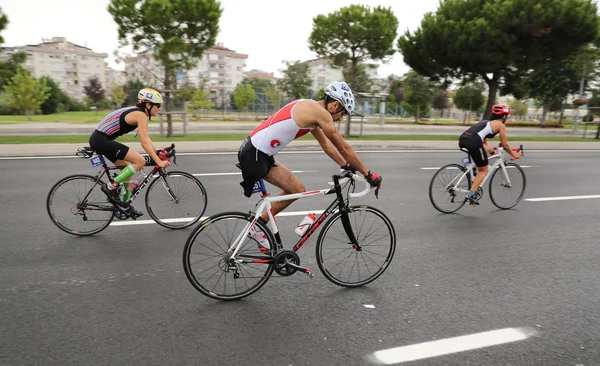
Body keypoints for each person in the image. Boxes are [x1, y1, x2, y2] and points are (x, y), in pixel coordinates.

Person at [237, 81, 382, 251]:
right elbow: (343, 147)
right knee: (295, 190)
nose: (341, 118)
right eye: (343, 113)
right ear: (335, 105)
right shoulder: (321, 114)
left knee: (298, 189)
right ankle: (257, 227)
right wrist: (368, 174)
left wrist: (346, 165)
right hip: (255, 154)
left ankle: (258, 225)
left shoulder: (311, 110)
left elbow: (326, 145)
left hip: (257, 152)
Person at [89, 87, 170, 216]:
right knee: (140, 161)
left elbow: (147, 138)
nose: (159, 108)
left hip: (100, 139)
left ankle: (124, 205)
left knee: (128, 169)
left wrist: (158, 151)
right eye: (158, 105)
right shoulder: (141, 115)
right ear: (148, 105)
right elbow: (143, 143)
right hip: (101, 140)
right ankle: (111, 186)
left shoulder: (140, 114)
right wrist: (158, 161)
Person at [458, 104, 521, 205]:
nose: (508, 119)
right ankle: (471, 194)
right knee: (484, 169)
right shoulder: (501, 125)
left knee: (482, 160)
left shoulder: (486, 123)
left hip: (463, 139)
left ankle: (474, 169)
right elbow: (505, 145)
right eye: (508, 117)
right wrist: (514, 155)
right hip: (474, 141)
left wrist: (491, 151)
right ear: (504, 116)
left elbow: (484, 143)